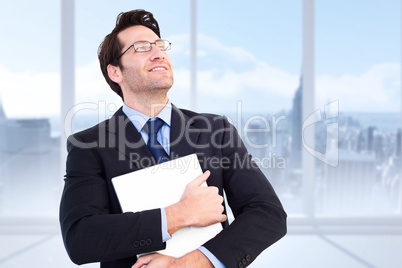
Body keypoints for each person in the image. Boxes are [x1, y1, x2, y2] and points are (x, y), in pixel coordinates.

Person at [59, 9, 287, 268]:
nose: (158, 53)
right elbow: (80, 237)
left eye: (160, 45)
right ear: (115, 73)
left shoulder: (216, 130)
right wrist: (179, 214)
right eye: (142, 48)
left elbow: (268, 214)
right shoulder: (89, 145)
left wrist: (190, 263)